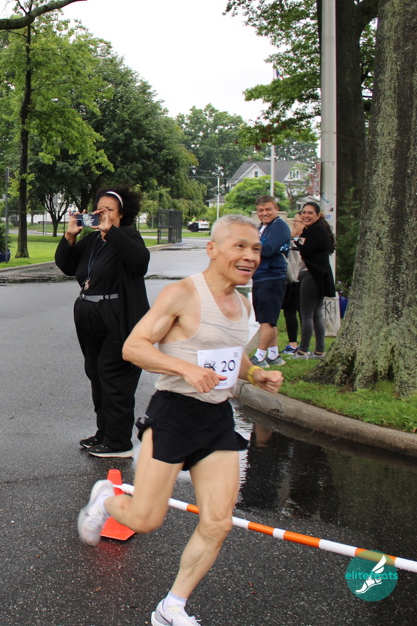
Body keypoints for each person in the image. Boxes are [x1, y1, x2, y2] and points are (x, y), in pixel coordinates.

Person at [76, 214, 283, 626]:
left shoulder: (243, 303)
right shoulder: (183, 293)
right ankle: (106, 500)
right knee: (146, 519)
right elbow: (134, 347)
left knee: (218, 522)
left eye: (256, 248)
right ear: (213, 249)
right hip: (173, 413)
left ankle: (171, 607)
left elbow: (231, 354)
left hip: (217, 420)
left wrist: (256, 373)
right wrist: (185, 369)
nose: (250, 256)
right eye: (239, 246)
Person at [55, 187, 150, 458]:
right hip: (89, 312)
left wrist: (112, 233)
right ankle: (105, 432)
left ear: (121, 214)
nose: (103, 213)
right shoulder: (93, 240)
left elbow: (140, 263)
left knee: (113, 374)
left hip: (116, 314)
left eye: (109, 209)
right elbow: (67, 266)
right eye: (99, 209)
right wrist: (70, 236)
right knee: (96, 372)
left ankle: (119, 442)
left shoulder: (127, 236)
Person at [291, 201, 335, 359]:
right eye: (304, 212)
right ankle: (319, 351)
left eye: (310, 213)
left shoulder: (315, 231)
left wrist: (296, 238)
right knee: (316, 314)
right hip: (318, 276)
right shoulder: (315, 230)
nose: (306, 215)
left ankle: (302, 351)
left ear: (318, 215)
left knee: (306, 314)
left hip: (312, 275)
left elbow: (305, 250)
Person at [250, 196, 291, 367]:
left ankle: (259, 357)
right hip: (261, 277)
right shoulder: (263, 227)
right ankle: (274, 356)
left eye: (268, 209)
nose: (264, 213)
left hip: (271, 278)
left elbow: (267, 250)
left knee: (267, 321)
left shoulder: (279, 227)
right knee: (268, 319)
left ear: (276, 209)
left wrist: (251, 242)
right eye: (261, 210)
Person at [281, 212, 305, 354]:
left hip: (301, 278)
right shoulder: (291, 238)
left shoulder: (304, 240)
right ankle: (293, 344)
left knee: (302, 312)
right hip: (292, 278)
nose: (294, 223)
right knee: (290, 311)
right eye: (294, 220)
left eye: (297, 221)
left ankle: (302, 345)